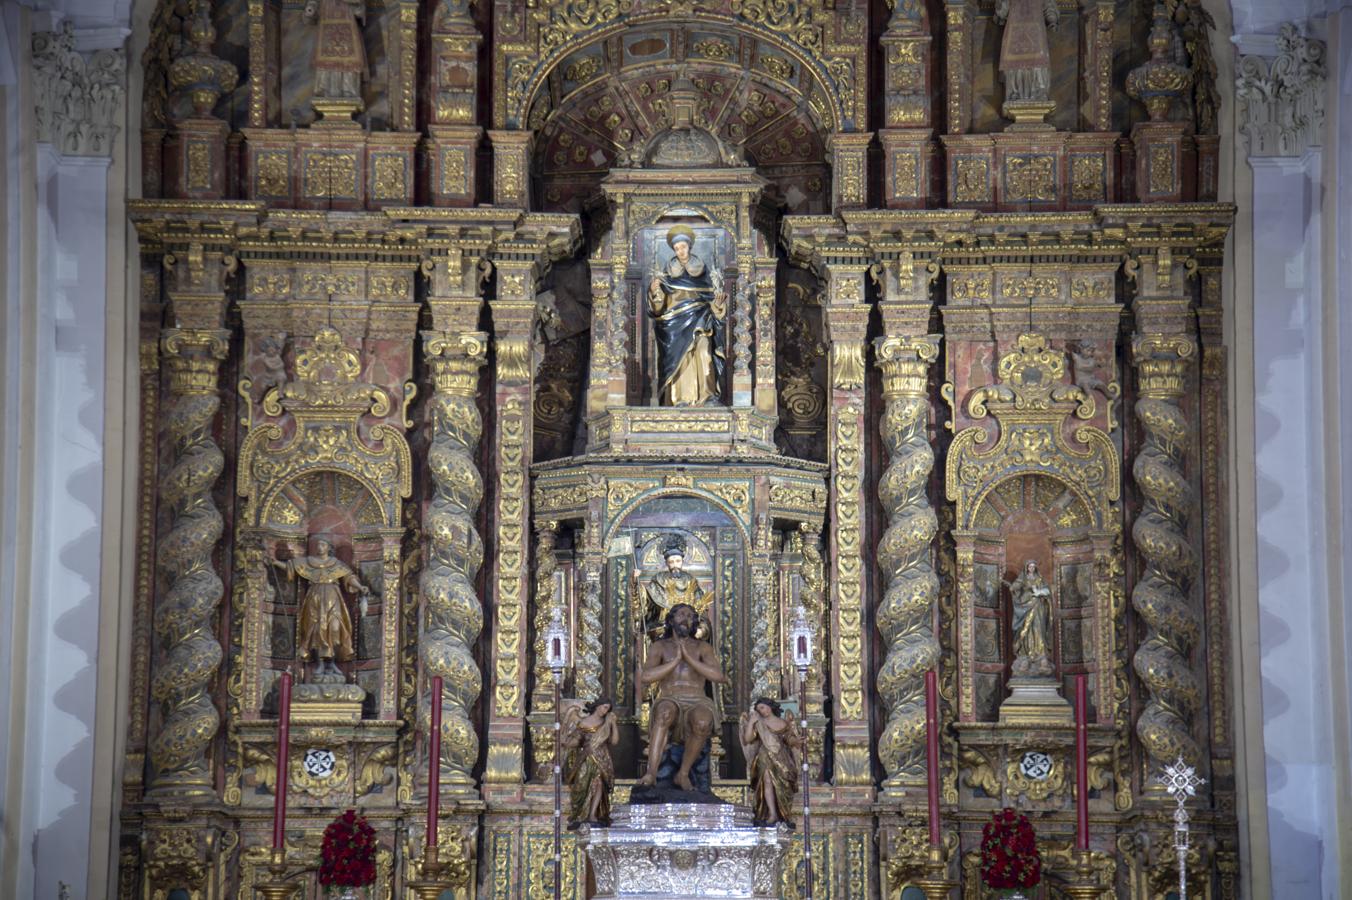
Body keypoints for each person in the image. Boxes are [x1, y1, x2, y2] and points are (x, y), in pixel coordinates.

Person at [637, 603, 727, 792]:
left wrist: (689, 658)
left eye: (690, 616)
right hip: (670, 696)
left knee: (703, 721)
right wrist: (676, 661)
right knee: (663, 713)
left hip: (697, 698)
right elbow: (646, 677)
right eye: (681, 614)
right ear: (670, 620)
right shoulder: (659, 646)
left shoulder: (703, 647)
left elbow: (719, 677)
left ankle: (683, 773)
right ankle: (651, 773)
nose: (685, 619)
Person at [648, 225, 726, 406]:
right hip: (674, 324)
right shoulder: (667, 274)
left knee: (703, 351)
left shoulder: (703, 271)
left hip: (701, 318)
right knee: (680, 359)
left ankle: (707, 396)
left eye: (683, 247)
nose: (680, 251)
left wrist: (718, 306)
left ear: (689, 247)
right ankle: (679, 398)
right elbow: (658, 308)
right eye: (676, 248)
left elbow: (711, 300)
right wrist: (654, 293)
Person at [270, 538, 369, 676]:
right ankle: (322, 664)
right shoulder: (309, 562)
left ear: (328, 547)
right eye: (318, 545)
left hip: (333, 597)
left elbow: (349, 577)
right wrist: (275, 562)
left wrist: (360, 587)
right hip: (315, 598)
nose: (320, 547)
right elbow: (291, 567)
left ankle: (332, 663)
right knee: (316, 629)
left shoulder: (336, 564)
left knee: (335, 627)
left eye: (323, 544)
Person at [740, 697, 804, 827]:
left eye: (763, 707)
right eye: (759, 710)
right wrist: (751, 722)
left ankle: (784, 813)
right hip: (765, 756)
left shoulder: (784, 723)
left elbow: (789, 739)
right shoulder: (759, 724)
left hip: (782, 757)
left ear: (770, 706)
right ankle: (772, 813)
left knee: (783, 784)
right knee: (767, 782)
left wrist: (796, 742)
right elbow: (747, 739)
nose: (762, 711)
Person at [636, 534, 711, 641]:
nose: (675, 565)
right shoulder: (659, 580)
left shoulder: (691, 581)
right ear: (666, 563)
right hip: (665, 633)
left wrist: (701, 630)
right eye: (671, 562)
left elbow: (702, 613)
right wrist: (635, 582)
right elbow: (645, 604)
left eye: (678, 561)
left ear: (682, 561)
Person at [562, 697, 619, 828]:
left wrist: (613, 723)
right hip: (586, 757)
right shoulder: (583, 722)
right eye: (605, 707)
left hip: (601, 758)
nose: (606, 711)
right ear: (598, 706)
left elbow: (615, 741)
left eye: (608, 709)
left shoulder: (606, 723)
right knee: (581, 785)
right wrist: (566, 743)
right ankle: (580, 814)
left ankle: (593, 814)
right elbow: (577, 741)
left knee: (598, 783)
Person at [994, 0, 1059, 105]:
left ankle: (1039, 93)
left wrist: (1052, 19)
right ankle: (1014, 94)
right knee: (1014, 66)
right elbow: (1002, 12)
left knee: (1038, 64)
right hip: (1015, 31)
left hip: (1036, 31)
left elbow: (1048, 6)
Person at [1005, 558, 1053, 677]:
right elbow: (1015, 587)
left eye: (1033, 566)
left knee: (1038, 630)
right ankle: (1025, 654)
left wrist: (1040, 592)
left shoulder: (1040, 579)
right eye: (1029, 566)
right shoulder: (1023, 579)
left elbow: (1048, 591)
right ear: (1026, 568)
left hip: (1038, 609)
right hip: (1025, 609)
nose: (1031, 568)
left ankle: (1040, 655)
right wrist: (1013, 587)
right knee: (1025, 631)